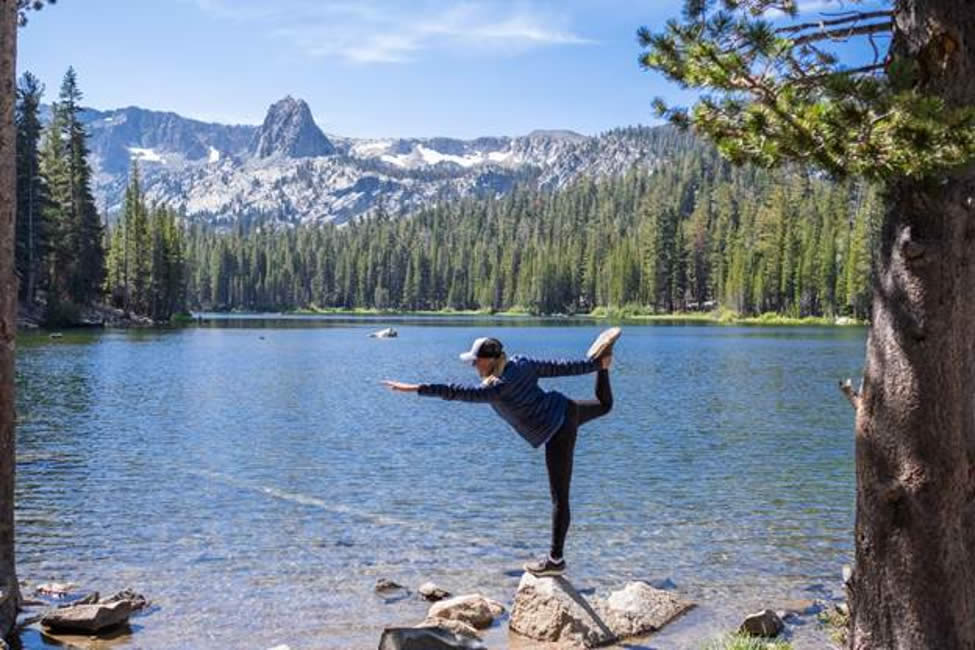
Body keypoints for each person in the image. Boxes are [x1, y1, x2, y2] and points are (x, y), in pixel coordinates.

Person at [382, 327, 621, 577]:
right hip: (565, 409)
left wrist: (415, 388)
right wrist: (592, 364)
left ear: (490, 360)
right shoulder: (521, 364)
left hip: (557, 430)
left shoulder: (496, 389)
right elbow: (561, 367)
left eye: (476, 361)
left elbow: (453, 391)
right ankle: (603, 365)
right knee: (604, 406)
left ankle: (556, 560)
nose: (474, 366)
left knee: (560, 497)